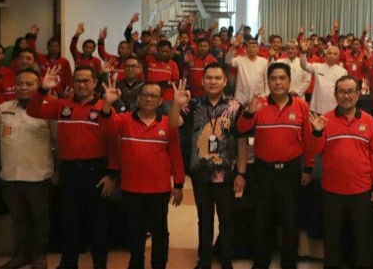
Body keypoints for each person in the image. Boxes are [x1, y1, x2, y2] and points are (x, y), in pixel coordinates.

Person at [26, 65, 118, 269]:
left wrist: (111, 175)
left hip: (96, 172)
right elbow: (33, 110)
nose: (81, 85)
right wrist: (43, 89)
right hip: (69, 172)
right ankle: (68, 265)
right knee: (69, 223)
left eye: (86, 81)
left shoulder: (104, 107)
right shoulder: (61, 105)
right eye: (78, 80)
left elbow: (113, 142)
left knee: (98, 225)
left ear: (95, 83)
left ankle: (100, 266)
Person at [169, 64, 247, 269]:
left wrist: (241, 173)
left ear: (225, 81)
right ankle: (204, 260)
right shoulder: (192, 105)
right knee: (204, 219)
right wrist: (176, 104)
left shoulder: (235, 107)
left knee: (227, 220)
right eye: (209, 78)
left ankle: (226, 260)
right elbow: (173, 123)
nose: (213, 81)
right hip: (200, 173)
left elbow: (241, 141)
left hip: (226, 174)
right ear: (202, 81)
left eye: (217, 78)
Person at [237, 63, 315, 269]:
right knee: (262, 219)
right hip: (263, 171)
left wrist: (308, 168)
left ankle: (289, 263)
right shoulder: (259, 104)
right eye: (273, 78)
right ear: (268, 82)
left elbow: (308, 140)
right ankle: (261, 261)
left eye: (282, 78)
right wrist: (249, 113)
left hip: (290, 171)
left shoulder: (301, 106)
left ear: (289, 81)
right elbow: (241, 129)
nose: (278, 82)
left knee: (290, 220)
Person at [100, 81, 185, 269]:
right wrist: (107, 103)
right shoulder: (124, 120)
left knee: (160, 232)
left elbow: (176, 156)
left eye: (153, 96)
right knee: (135, 232)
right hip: (132, 188)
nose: (148, 99)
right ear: (138, 98)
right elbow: (106, 127)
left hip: (159, 190)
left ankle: (158, 265)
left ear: (160, 101)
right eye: (145, 95)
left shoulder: (168, 123)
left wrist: (179, 185)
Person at [309, 76, 373, 268]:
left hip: (361, 191)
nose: (346, 96)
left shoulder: (369, 121)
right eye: (342, 92)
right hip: (332, 191)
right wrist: (317, 132)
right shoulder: (325, 120)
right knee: (332, 239)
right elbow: (315, 150)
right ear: (335, 95)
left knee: (362, 239)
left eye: (350, 91)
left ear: (358, 94)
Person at [0, 69, 55, 269]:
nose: (23, 87)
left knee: (40, 219)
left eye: (29, 84)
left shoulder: (48, 109)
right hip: (10, 175)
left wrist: (58, 170)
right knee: (18, 219)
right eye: (19, 83)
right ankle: (21, 255)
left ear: (38, 86)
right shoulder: (4, 108)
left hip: (38, 175)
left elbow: (58, 141)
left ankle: (39, 255)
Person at [299, 40, 347, 115]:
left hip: (334, 106)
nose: (332, 55)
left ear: (338, 57)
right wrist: (303, 52)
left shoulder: (343, 72)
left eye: (335, 54)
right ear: (325, 55)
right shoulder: (317, 67)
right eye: (329, 53)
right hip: (317, 106)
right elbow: (304, 65)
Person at [228, 39, 269, 105]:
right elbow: (228, 61)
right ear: (246, 49)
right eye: (249, 47)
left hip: (258, 97)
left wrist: (266, 94)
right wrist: (232, 47)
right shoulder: (240, 60)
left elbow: (266, 79)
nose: (251, 49)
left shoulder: (264, 61)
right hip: (241, 98)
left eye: (253, 47)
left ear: (257, 49)